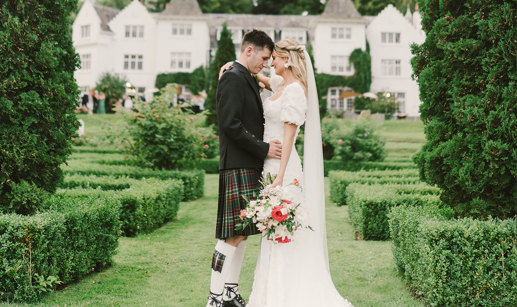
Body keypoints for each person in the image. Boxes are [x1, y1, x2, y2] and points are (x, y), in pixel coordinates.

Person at [248, 39, 354, 306]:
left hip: (283, 166)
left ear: (287, 59)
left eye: (275, 58)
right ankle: (271, 291)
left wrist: (281, 177)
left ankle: (287, 293)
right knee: (273, 228)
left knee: (285, 226)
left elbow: (289, 137)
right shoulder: (282, 85)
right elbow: (265, 80)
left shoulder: (295, 91)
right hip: (271, 163)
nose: (271, 62)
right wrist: (239, 68)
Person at [206, 30, 282, 307]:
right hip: (238, 164)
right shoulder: (233, 77)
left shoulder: (244, 76)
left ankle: (229, 292)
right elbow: (230, 125)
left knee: (242, 233)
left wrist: (259, 77)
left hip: (248, 165)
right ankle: (214, 298)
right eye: (263, 57)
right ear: (249, 50)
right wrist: (264, 149)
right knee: (232, 235)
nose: (265, 63)